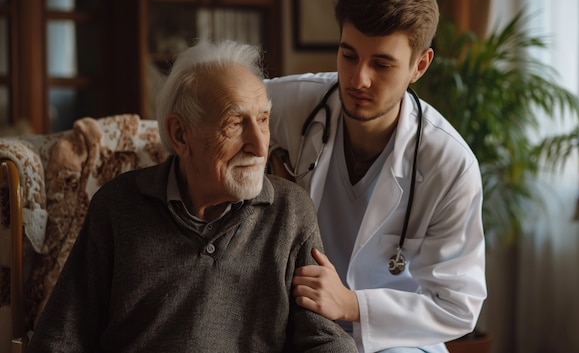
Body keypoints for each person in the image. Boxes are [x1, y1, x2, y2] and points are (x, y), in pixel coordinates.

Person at [27, 40, 358, 353]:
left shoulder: (290, 209)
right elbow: (60, 338)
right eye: (234, 124)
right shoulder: (117, 206)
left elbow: (323, 339)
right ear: (180, 134)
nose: (260, 146)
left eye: (262, 120)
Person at [265, 0, 487, 353]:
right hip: (295, 324)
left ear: (419, 65)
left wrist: (352, 304)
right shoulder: (292, 104)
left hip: (396, 339)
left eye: (382, 64)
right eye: (348, 55)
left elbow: (458, 306)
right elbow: (202, 118)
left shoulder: (449, 165)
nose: (358, 79)